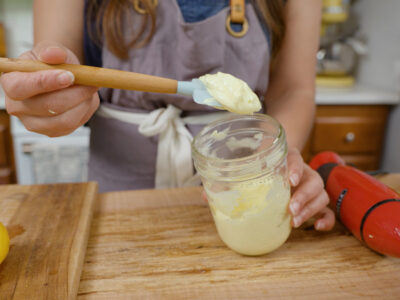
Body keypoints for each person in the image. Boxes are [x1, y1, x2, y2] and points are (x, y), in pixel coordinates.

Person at [0, 0, 335, 231]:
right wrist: (53, 94)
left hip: (239, 190)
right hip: (116, 200)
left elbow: (294, 89)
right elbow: (57, 63)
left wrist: (273, 161)